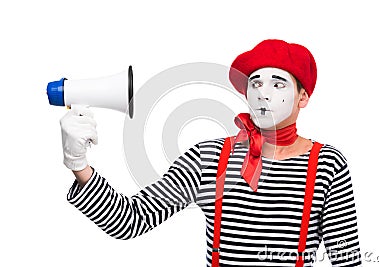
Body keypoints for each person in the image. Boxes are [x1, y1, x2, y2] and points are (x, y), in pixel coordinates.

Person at [60, 39, 362, 266]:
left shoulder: (328, 164)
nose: (263, 92)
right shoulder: (209, 157)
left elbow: (345, 259)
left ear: (303, 97)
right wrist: (79, 164)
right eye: (254, 83)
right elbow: (131, 221)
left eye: (278, 83)